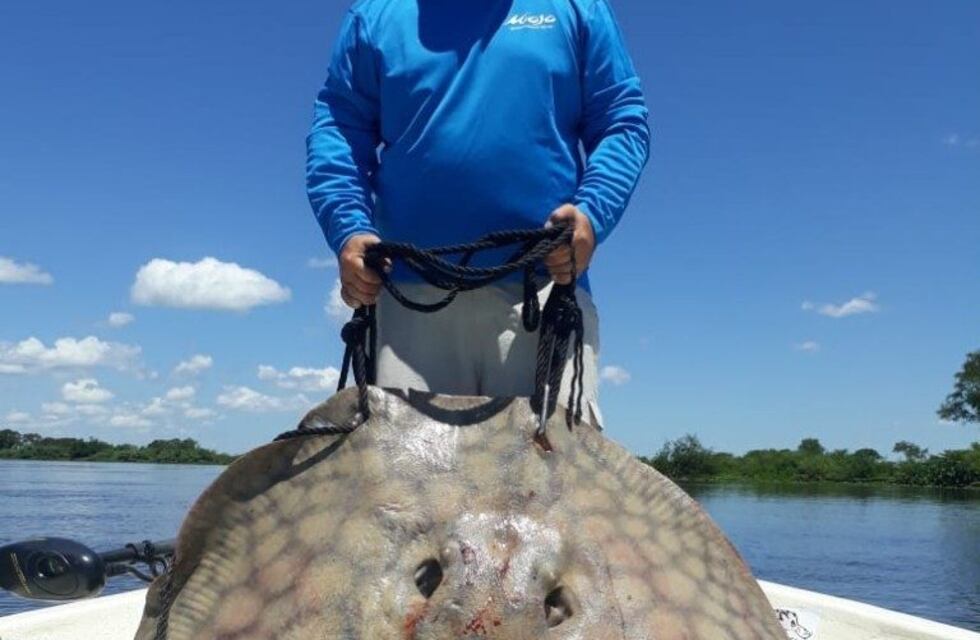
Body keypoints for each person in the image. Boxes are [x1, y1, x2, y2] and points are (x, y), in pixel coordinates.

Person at [306, 0, 649, 426]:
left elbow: (621, 119)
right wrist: (348, 226)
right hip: (409, 300)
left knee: (550, 485)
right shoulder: (374, 16)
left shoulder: (577, 8)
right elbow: (340, 129)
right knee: (403, 488)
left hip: (543, 290)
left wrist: (593, 213)